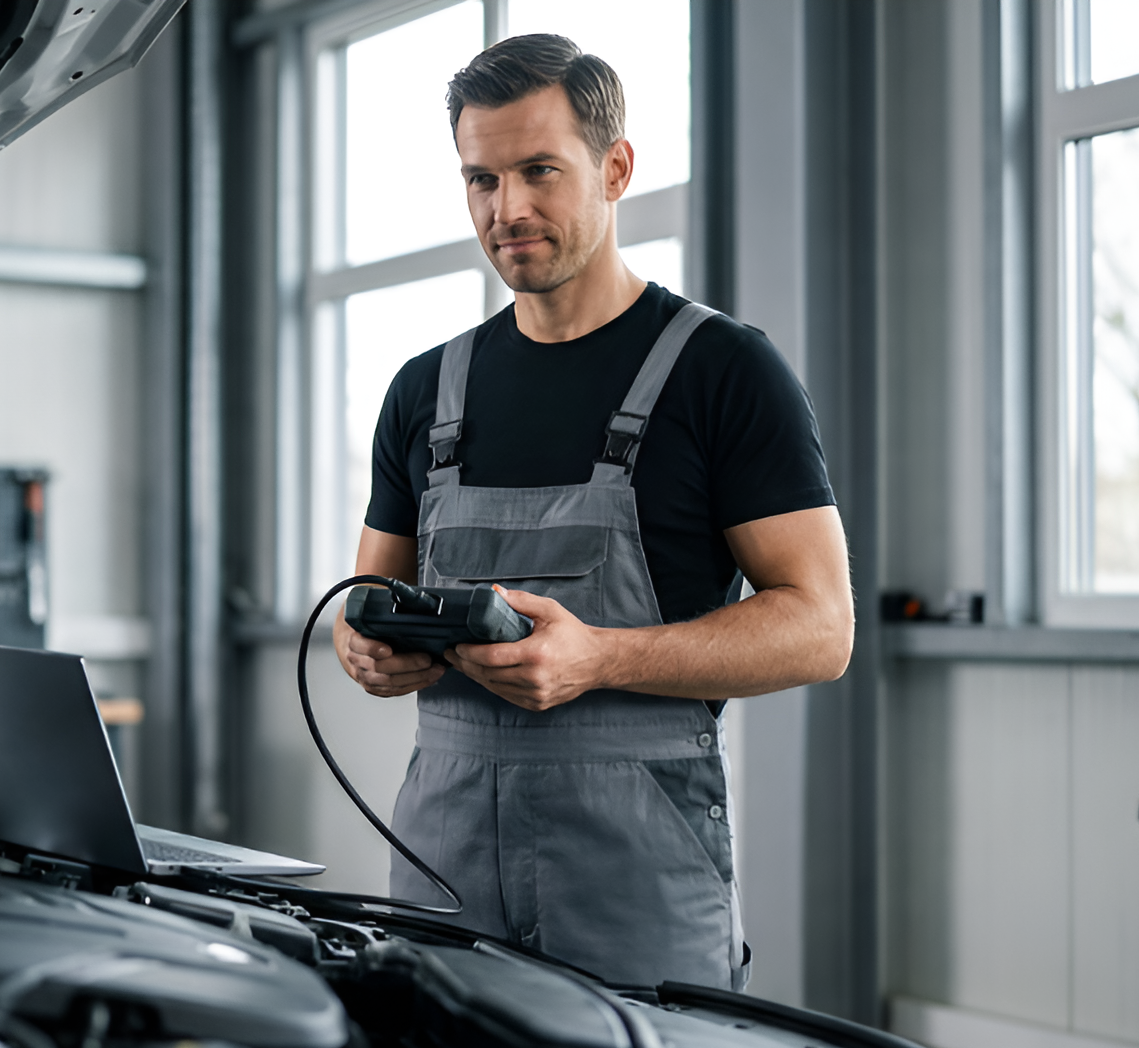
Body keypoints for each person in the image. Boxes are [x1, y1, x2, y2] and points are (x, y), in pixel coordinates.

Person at [332, 34, 853, 991]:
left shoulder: (722, 372)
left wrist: (601, 658)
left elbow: (821, 630)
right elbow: (369, 599)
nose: (508, 210)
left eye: (540, 171)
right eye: (481, 179)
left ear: (616, 169)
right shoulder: (422, 392)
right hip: (440, 869)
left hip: (636, 877)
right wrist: (364, 648)